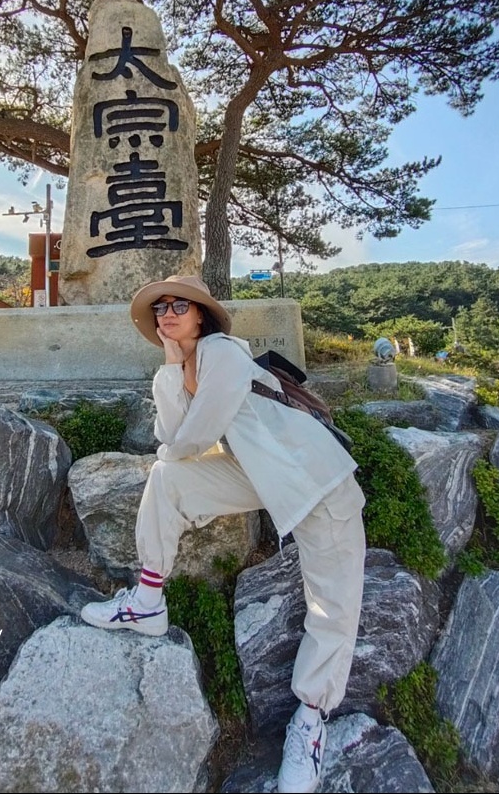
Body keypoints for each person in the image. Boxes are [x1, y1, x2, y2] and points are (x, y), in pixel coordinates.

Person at [80, 275, 366, 794]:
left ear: (201, 315)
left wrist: (176, 441)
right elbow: (173, 441)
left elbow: (193, 437)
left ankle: (310, 721)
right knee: (168, 480)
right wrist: (170, 367)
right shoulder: (185, 366)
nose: (167, 313)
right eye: (160, 307)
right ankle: (146, 601)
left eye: (179, 305)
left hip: (318, 480)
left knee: (333, 607)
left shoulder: (223, 352)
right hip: (262, 477)